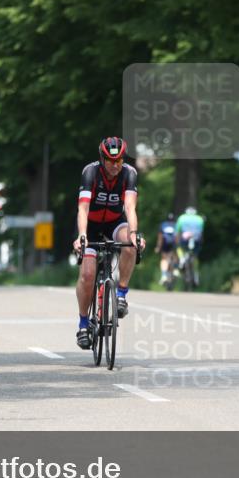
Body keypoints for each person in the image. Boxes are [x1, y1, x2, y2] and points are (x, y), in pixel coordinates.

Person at [72, 137, 145, 349]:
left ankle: (121, 294)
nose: (115, 165)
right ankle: (83, 324)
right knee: (87, 275)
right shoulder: (90, 172)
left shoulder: (129, 173)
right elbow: (83, 208)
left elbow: (130, 207)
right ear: (102, 159)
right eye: (111, 161)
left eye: (119, 160)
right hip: (91, 226)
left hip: (115, 222)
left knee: (130, 244)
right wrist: (82, 235)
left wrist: (134, 233)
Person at [174, 206, 205, 286]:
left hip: (185, 239)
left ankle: (182, 259)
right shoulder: (200, 219)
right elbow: (201, 232)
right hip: (196, 239)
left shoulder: (182, 217)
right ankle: (196, 275)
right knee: (195, 256)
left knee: (179, 248)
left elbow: (177, 231)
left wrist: (176, 241)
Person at [154, 212, 178, 286]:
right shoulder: (176, 225)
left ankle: (164, 275)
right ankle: (175, 270)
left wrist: (158, 247)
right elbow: (177, 236)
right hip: (173, 244)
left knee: (164, 259)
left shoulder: (163, 224)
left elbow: (160, 237)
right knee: (174, 257)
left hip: (165, 243)